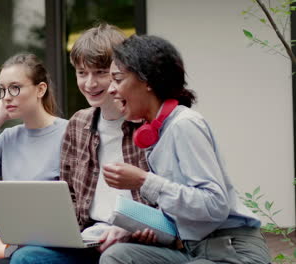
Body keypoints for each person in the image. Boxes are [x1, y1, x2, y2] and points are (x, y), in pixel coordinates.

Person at [100, 34, 271, 264]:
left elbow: (214, 204)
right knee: (117, 256)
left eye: (118, 79)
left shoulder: (185, 124)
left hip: (233, 251)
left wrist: (144, 181)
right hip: (195, 250)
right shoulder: (157, 132)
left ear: (147, 80)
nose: (110, 89)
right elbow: (185, 209)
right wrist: (134, 227)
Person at [10, 23, 153, 264]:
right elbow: (69, 195)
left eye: (100, 72)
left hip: (131, 238)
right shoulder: (79, 123)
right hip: (89, 237)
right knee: (26, 257)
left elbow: (167, 195)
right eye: (81, 73)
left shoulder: (147, 124)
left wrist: (138, 225)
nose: (90, 83)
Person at [0, 53, 68, 182]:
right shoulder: (8, 137)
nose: (6, 97)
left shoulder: (69, 133)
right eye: (2, 89)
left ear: (41, 89)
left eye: (15, 87)